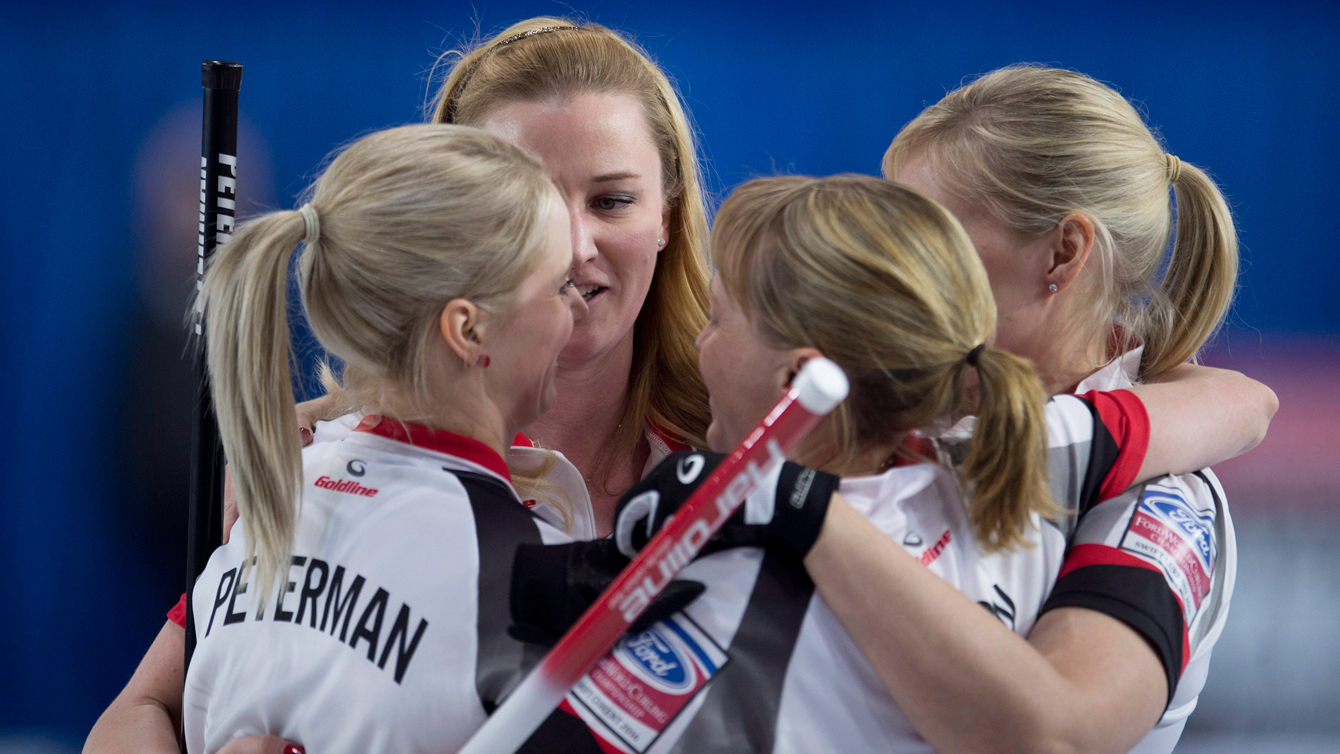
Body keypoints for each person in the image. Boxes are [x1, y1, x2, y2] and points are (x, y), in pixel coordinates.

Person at [85, 17, 714, 753]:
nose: (574, 248)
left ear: (667, 215)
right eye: (527, 209)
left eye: (611, 201)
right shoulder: (324, 462)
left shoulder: (745, 461)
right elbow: (136, 713)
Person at [515, 173, 1273, 753]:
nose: (698, 345)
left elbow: (1057, 732)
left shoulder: (734, 579)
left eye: (717, 319)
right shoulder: (1004, 464)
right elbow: (1238, 400)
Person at [183, 123, 592, 753]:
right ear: (469, 330)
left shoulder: (267, 505)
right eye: (559, 287)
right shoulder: (533, 577)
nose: (577, 311)